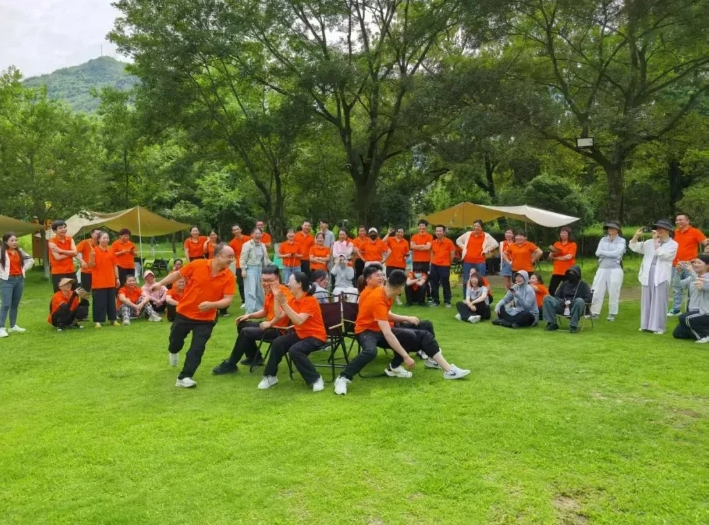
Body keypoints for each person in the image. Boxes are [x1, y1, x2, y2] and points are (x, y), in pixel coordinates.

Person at [333, 268, 470, 395]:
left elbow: (385, 315)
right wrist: (406, 356)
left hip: (379, 329)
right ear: (400, 288)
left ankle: (448, 370)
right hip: (365, 331)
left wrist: (406, 318)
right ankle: (343, 378)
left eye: (382, 276)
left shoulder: (385, 292)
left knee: (421, 334)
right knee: (371, 352)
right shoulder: (378, 298)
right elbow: (388, 334)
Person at [153, 244, 236, 388]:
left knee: (197, 348)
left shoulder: (229, 276)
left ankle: (185, 377)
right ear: (218, 256)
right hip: (184, 313)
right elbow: (177, 275)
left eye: (232, 257)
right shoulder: (197, 264)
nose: (232, 260)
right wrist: (160, 283)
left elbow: (228, 299)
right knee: (175, 341)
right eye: (229, 256)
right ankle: (173, 351)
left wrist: (212, 305)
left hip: (206, 319)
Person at [212, 265, 291, 374]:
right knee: (242, 324)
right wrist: (249, 316)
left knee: (246, 332)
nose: (266, 283)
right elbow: (265, 311)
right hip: (268, 325)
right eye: (263, 280)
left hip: (279, 329)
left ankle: (231, 364)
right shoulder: (269, 292)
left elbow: (282, 314)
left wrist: (270, 323)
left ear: (277, 279)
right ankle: (255, 357)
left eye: (269, 280)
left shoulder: (284, 293)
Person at [258, 273, 328, 391]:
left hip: (316, 336)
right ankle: (270, 376)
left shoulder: (310, 300)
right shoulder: (293, 300)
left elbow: (299, 320)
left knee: (295, 350)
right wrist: (277, 296)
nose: (287, 284)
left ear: (299, 284)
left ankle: (315, 379)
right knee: (278, 342)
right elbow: (279, 315)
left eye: (290, 281)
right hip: (301, 334)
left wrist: (284, 303)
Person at [630, 220, 678, 335]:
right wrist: (636, 236)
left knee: (659, 301)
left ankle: (659, 327)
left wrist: (656, 242)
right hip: (647, 273)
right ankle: (645, 325)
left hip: (661, 275)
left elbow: (664, 255)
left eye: (661, 228)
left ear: (668, 231)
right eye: (657, 228)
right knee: (646, 300)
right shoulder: (649, 242)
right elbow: (634, 247)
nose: (658, 231)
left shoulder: (673, 244)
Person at [669, 213, 707, 316]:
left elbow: (706, 243)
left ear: (687, 221)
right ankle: (676, 309)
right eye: (677, 220)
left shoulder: (695, 232)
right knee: (677, 287)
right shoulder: (674, 233)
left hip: (691, 266)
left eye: (680, 220)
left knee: (692, 288)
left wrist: (702, 257)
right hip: (676, 265)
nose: (678, 222)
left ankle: (692, 309)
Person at [589, 221, 626, 322]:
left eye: (613, 228)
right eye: (609, 228)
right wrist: (609, 253)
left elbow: (617, 253)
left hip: (615, 269)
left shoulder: (621, 240)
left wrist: (603, 252)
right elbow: (597, 253)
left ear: (617, 230)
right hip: (602, 267)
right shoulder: (603, 239)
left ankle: (612, 313)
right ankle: (594, 312)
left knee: (614, 290)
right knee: (596, 290)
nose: (611, 230)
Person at [0, 232, 34, 338]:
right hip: (7, 280)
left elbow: (30, 260)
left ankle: (13, 326)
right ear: (6, 242)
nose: (15, 242)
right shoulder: (2, 252)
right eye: (12, 240)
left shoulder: (19, 251)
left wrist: (23, 269)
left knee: (15, 304)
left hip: (19, 279)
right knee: (6, 304)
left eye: (16, 240)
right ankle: (1, 328)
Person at [542, 265, 593, 333]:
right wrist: (562, 301)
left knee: (579, 301)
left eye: (573, 273)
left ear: (578, 275)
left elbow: (588, 299)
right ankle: (552, 323)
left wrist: (573, 302)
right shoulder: (564, 284)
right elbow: (557, 296)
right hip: (563, 306)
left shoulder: (583, 285)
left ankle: (573, 325)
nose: (571, 275)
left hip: (576, 307)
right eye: (569, 273)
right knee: (547, 298)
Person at [672, 255, 709, 343]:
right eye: (694, 262)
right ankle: (704, 330)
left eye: (699, 263)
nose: (695, 265)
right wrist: (678, 272)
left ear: (707, 265)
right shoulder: (691, 277)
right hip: (693, 312)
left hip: (705, 312)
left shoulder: (706, 278)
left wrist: (692, 272)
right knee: (678, 333)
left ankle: (704, 335)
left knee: (684, 318)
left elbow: (701, 285)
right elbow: (677, 285)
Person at [88, 232, 120, 328]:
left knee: (111, 302)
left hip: (110, 280)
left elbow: (115, 265)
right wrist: (92, 257)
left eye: (107, 238)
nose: (106, 240)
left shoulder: (111, 251)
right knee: (99, 302)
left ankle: (113, 319)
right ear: (99, 239)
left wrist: (117, 278)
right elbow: (91, 265)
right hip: (98, 281)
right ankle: (98, 321)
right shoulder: (93, 251)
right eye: (103, 238)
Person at [240, 228, 271, 314]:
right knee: (251, 290)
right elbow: (243, 258)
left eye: (259, 233)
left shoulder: (263, 245)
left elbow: (266, 259)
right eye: (256, 233)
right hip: (250, 269)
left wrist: (272, 265)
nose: (258, 235)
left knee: (260, 290)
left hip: (260, 269)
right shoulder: (247, 245)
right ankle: (250, 310)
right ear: (252, 234)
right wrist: (243, 269)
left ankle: (260, 309)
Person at [429, 225, 456, 308]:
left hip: (444, 266)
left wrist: (448, 263)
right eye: (437, 231)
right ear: (435, 232)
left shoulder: (449, 242)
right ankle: (435, 301)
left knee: (445, 284)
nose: (438, 232)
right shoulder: (433, 242)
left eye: (440, 231)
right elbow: (432, 253)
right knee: (433, 284)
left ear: (444, 232)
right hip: (434, 265)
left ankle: (447, 302)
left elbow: (452, 254)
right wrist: (432, 262)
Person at [48, 220, 78, 292]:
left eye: (64, 227)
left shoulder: (70, 239)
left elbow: (75, 253)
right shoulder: (52, 242)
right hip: (58, 272)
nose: (63, 229)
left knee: (73, 292)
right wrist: (70, 253)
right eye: (60, 228)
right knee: (60, 293)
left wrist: (60, 251)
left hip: (71, 270)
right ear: (55, 231)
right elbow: (58, 257)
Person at [547, 227, 577, 296]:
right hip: (557, 270)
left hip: (568, 271)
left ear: (569, 234)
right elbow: (550, 257)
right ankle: (552, 301)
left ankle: (567, 301)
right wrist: (552, 253)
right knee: (551, 289)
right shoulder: (556, 244)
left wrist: (556, 258)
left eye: (564, 233)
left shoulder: (572, 244)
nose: (562, 234)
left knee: (568, 289)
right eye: (561, 233)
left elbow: (568, 257)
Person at [228, 225, 250, 307]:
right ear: (232, 232)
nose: (236, 231)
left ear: (241, 229)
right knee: (241, 284)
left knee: (251, 283)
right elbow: (231, 255)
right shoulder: (232, 243)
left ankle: (253, 299)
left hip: (250, 264)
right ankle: (244, 301)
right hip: (239, 265)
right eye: (234, 230)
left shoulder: (248, 239)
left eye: (237, 229)